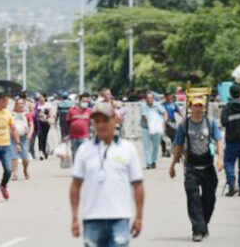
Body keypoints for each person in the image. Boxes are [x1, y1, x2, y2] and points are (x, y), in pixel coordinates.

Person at [70, 103, 144, 247]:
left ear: (115, 120)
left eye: (106, 120)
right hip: (92, 219)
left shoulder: (128, 149)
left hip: (120, 218)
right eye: (97, 121)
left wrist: (139, 217)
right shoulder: (84, 150)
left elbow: (138, 185)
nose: (101, 125)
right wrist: (74, 217)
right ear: (92, 124)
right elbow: (75, 186)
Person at [169, 98, 224, 242]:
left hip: (208, 167)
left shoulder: (210, 122)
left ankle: (203, 224)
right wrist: (173, 165)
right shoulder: (184, 125)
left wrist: (220, 159)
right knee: (193, 199)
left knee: (209, 199)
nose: (198, 109)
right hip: (191, 168)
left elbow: (218, 140)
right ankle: (197, 230)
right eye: (195, 106)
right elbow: (178, 145)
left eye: (200, 106)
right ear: (190, 108)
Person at [141, 93, 168, 169]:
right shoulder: (144, 106)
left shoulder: (157, 105)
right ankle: (148, 163)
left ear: (153, 98)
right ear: (146, 99)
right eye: (148, 98)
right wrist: (150, 126)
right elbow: (145, 117)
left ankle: (153, 161)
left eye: (151, 98)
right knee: (147, 146)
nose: (149, 99)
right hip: (146, 128)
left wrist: (164, 121)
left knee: (156, 146)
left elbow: (164, 112)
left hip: (156, 128)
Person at [11, 97, 34, 180]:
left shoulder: (27, 114)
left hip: (24, 137)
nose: (20, 105)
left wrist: (30, 133)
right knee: (14, 155)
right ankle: (15, 174)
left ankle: (25, 169)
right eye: (19, 103)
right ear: (16, 105)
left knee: (25, 156)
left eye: (22, 103)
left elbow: (31, 125)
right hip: (13, 137)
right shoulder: (11, 114)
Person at [65, 93, 92, 161]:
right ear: (79, 101)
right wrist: (65, 135)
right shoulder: (72, 110)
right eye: (83, 101)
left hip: (85, 136)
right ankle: (75, 169)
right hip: (74, 137)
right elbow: (67, 123)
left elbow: (93, 123)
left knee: (85, 154)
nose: (85, 103)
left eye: (86, 102)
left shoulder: (89, 111)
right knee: (75, 154)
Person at [161, 92, 183, 157]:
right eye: (167, 96)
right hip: (164, 122)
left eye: (169, 96)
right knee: (163, 137)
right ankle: (164, 151)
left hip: (172, 122)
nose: (168, 97)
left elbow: (179, 112)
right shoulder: (162, 105)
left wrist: (184, 117)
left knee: (174, 136)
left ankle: (174, 151)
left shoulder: (174, 105)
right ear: (165, 97)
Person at [35, 94, 53, 160]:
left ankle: (44, 150)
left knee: (45, 137)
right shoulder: (37, 105)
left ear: (45, 98)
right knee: (40, 137)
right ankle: (41, 152)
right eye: (39, 97)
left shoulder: (48, 105)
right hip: (38, 123)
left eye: (42, 97)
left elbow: (51, 113)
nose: (40, 98)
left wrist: (50, 119)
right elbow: (34, 113)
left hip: (46, 123)